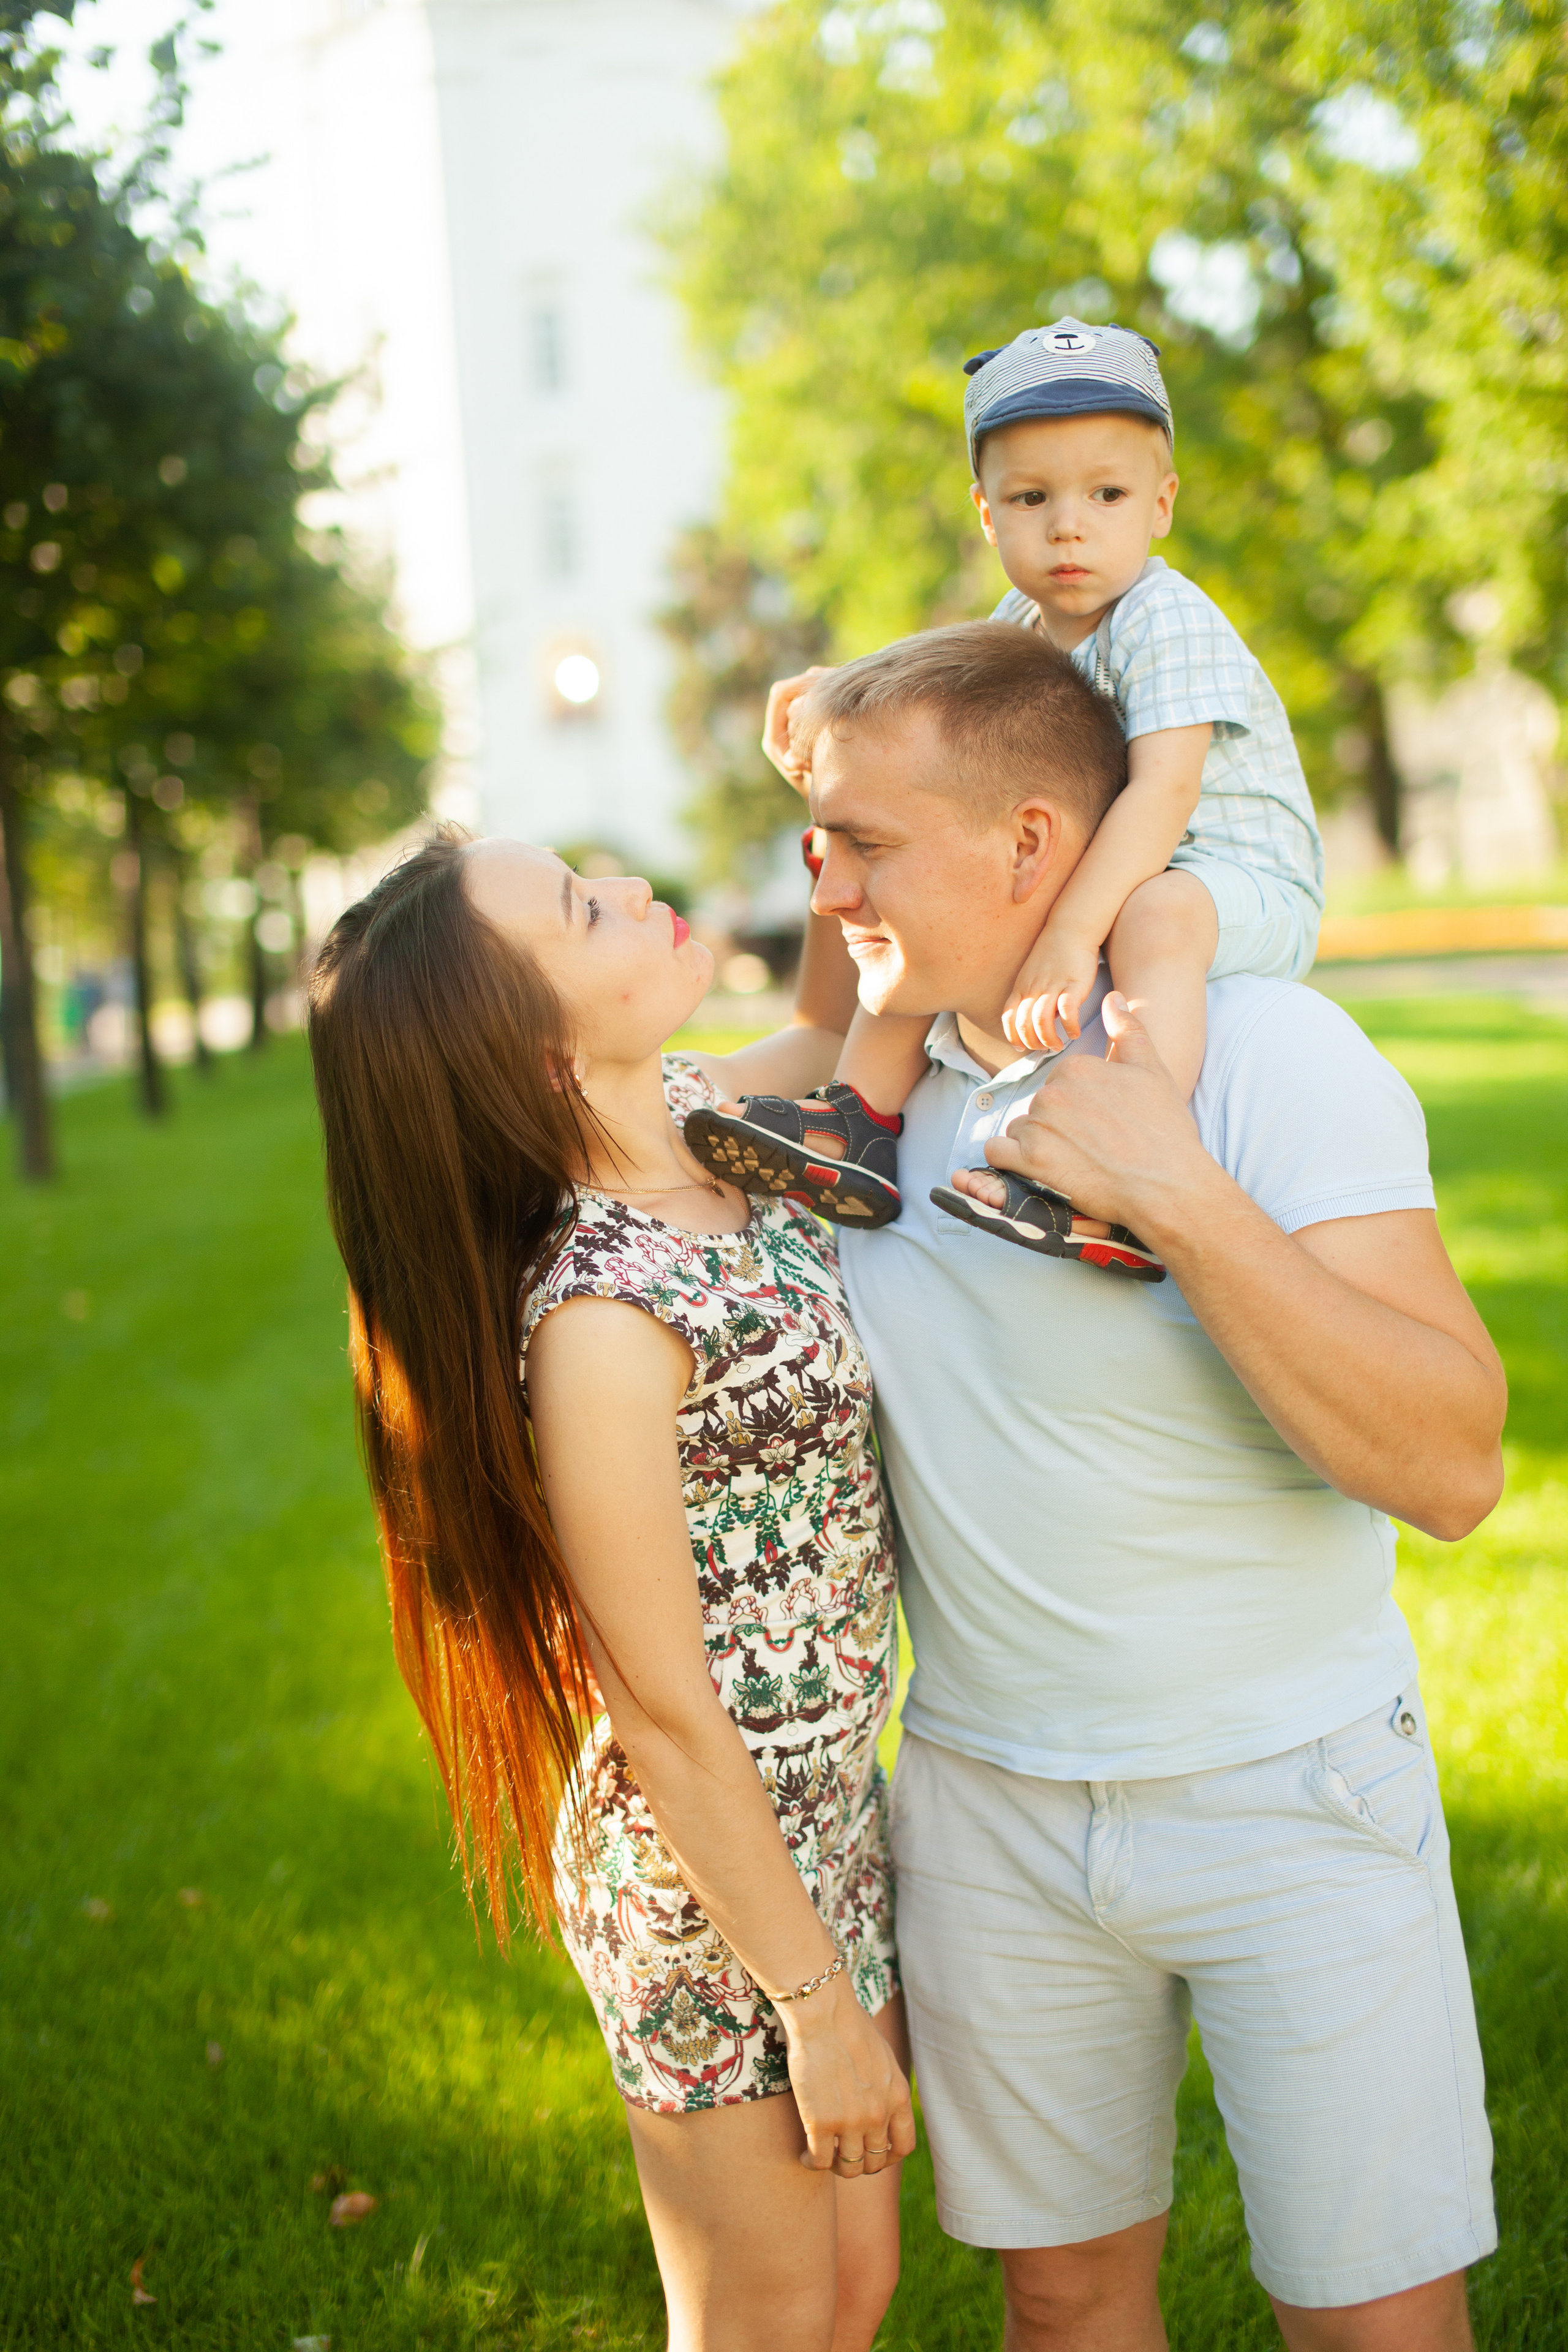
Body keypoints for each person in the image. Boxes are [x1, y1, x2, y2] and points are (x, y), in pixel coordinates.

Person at [774, 622, 1504, 2350]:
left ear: (1035, 842)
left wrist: (1176, 1188)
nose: (825, 887)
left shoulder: (1261, 1050)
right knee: (1066, 2303)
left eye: (867, 841)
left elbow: (1455, 1464)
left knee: (1373, 2322)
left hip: (1294, 1792)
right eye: (817, 840)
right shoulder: (866, 1110)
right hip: (988, 1812)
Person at [306, 830, 914, 2352]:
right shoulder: (597, 1313)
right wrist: (813, 2004)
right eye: (587, 909)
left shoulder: (707, 1119)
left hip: (830, 1809)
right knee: (768, 2323)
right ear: (536, 1046)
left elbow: (850, 1037)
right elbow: (655, 1702)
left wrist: (843, 817)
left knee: (856, 2292)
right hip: (712, 1888)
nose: (634, 892)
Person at [685, 320, 1324, 1281]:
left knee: (1157, 910)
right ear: (987, 515)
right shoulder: (1018, 629)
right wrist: (837, 712)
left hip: (1230, 877)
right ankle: (856, 1121)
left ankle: (1132, 1159)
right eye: (1032, 498)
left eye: (1106, 494)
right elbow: (935, 739)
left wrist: (1071, 938)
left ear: (1161, 504)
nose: (1069, 524)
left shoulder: (1169, 617)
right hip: (1110, 864)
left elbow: (1165, 791)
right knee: (936, 924)